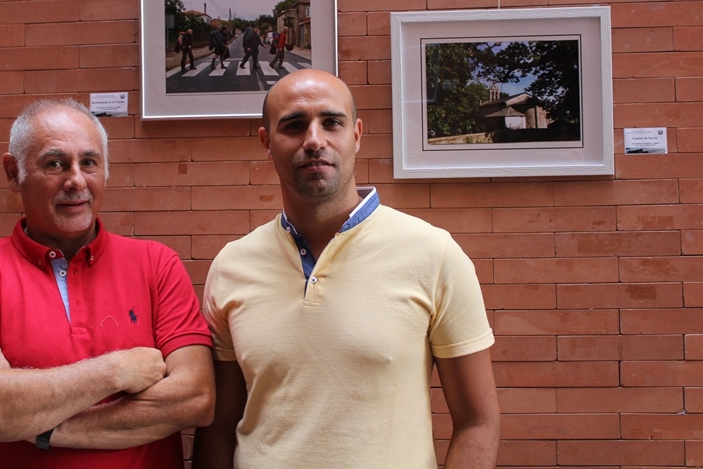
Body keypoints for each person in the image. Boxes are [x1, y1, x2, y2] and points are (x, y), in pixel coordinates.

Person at [193, 69, 500, 469]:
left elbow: (478, 422)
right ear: (267, 142)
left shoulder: (433, 253)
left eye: (331, 122)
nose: (314, 140)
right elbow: (217, 425)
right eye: (294, 125)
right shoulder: (232, 266)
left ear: (355, 134)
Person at [0, 98, 215, 469]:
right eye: (55, 163)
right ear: (14, 173)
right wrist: (114, 371)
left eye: (89, 163)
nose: (76, 180)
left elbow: (195, 399)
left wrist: (37, 426)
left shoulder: (157, 265)